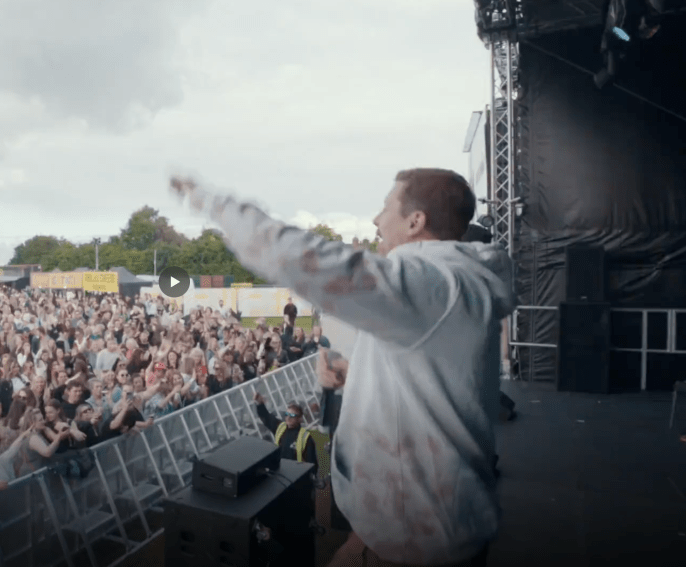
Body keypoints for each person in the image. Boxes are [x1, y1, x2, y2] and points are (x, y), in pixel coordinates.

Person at [171, 168, 515, 567]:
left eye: (386, 207)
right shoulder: (454, 286)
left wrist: (215, 204)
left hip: (412, 540)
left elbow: (312, 262)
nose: (375, 220)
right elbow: (431, 381)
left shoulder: (433, 283)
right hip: (410, 525)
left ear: (415, 221)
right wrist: (355, 373)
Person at [253, 393, 317, 465]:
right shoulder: (280, 427)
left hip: (294, 473)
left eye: (292, 415)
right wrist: (260, 404)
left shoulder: (306, 438)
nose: (288, 418)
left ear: (300, 419)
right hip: (279, 469)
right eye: (287, 414)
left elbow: (312, 463)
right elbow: (266, 417)